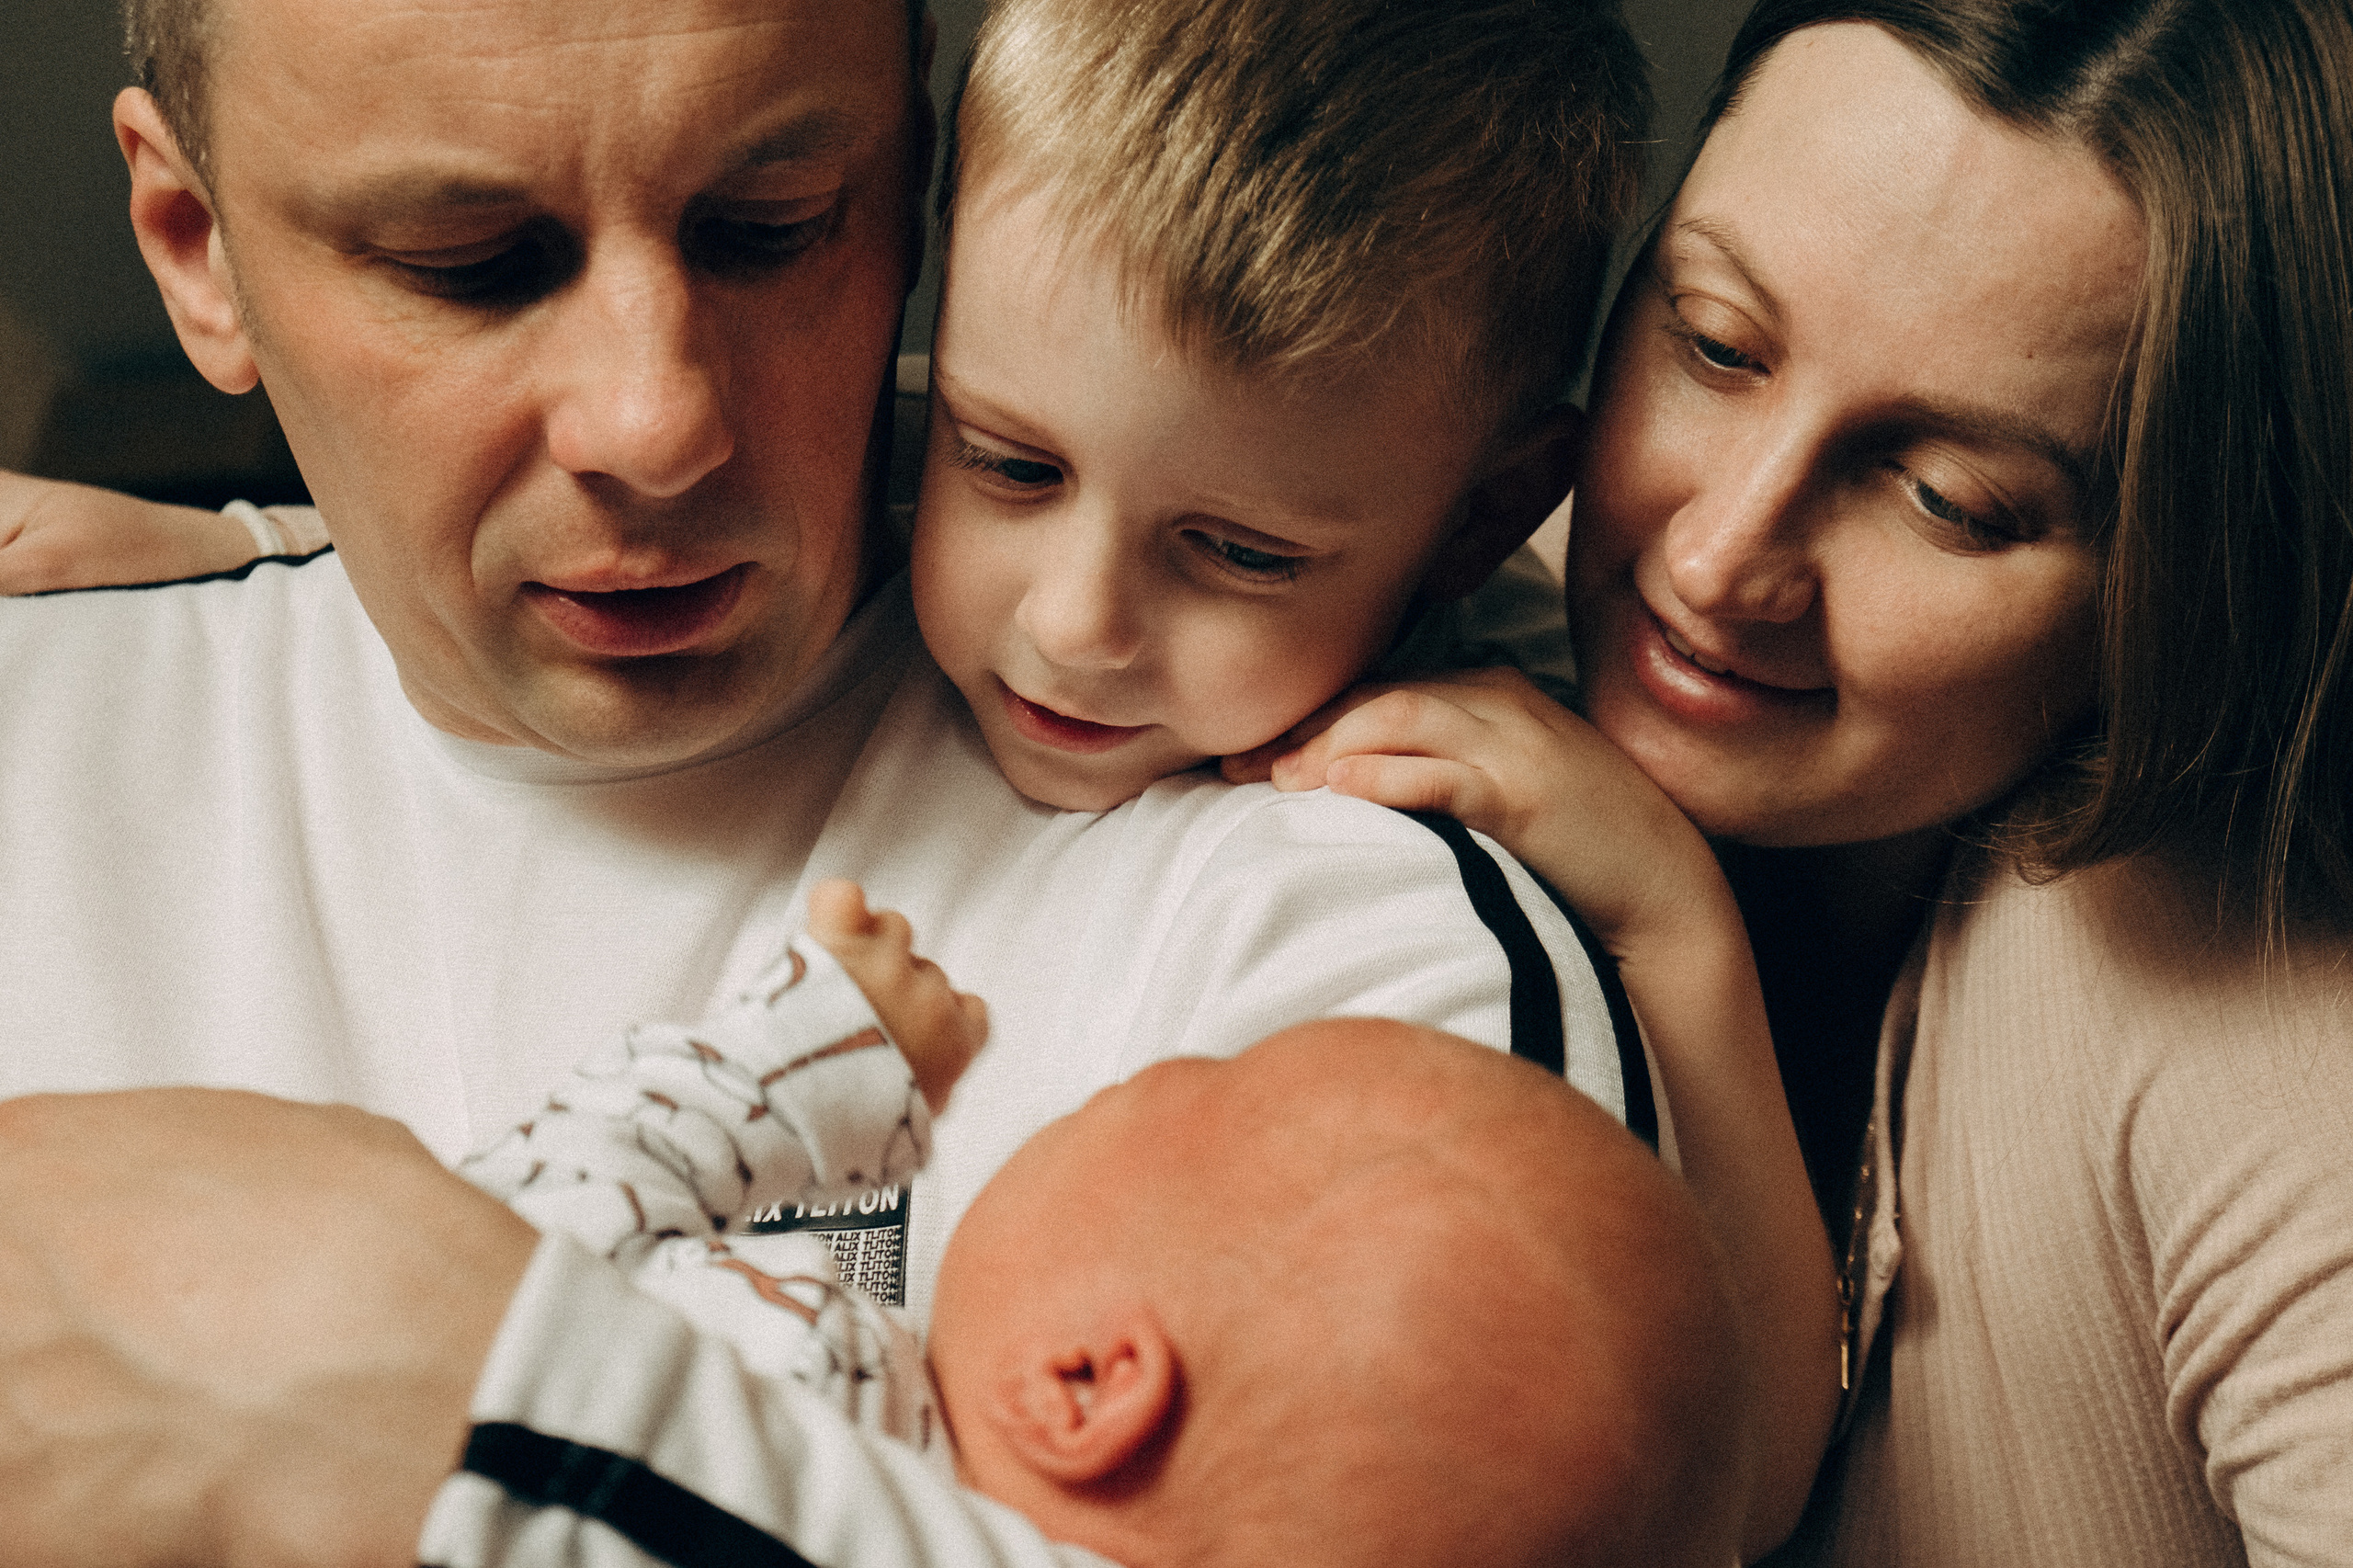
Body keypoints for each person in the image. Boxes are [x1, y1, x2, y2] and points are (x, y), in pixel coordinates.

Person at [0, 0, 1705, 1562]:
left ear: (914, 201)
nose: (657, 422)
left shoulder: (1348, 913)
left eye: (769, 228)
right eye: (475, 265)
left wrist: (394, 1369)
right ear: (197, 248)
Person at [1257, 1, 2353, 1562]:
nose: (1719, 559)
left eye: (1949, 497)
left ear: (2197, 582)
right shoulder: (1427, 608)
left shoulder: (2252, 1040)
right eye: (1716, 343)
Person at [464, 881, 1746, 1568]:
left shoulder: (811, 1418)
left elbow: (510, 1248)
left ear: (1081, 1382)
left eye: (1195, 1085)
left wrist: (812, 1055)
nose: (1143, 1072)